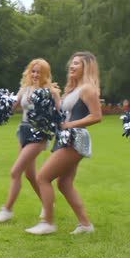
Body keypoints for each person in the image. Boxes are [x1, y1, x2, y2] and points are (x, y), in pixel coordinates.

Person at [26, 52, 102, 235]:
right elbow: (62, 115)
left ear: (87, 67)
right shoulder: (74, 89)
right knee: (64, 183)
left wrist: (70, 125)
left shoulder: (87, 89)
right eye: (72, 63)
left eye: (77, 63)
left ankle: (48, 222)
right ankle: (85, 225)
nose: (72, 66)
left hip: (75, 139)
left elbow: (97, 116)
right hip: (65, 137)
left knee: (42, 177)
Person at [0, 59, 60, 223]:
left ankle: (7, 210)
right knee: (30, 175)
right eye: (33, 71)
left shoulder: (51, 92)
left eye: (39, 72)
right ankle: (47, 203)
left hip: (38, 134)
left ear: (45, 74)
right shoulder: (25, 89)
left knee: (15, 171)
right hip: (23, 131)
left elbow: (59, 115)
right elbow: (12, 107)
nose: (35, 74)